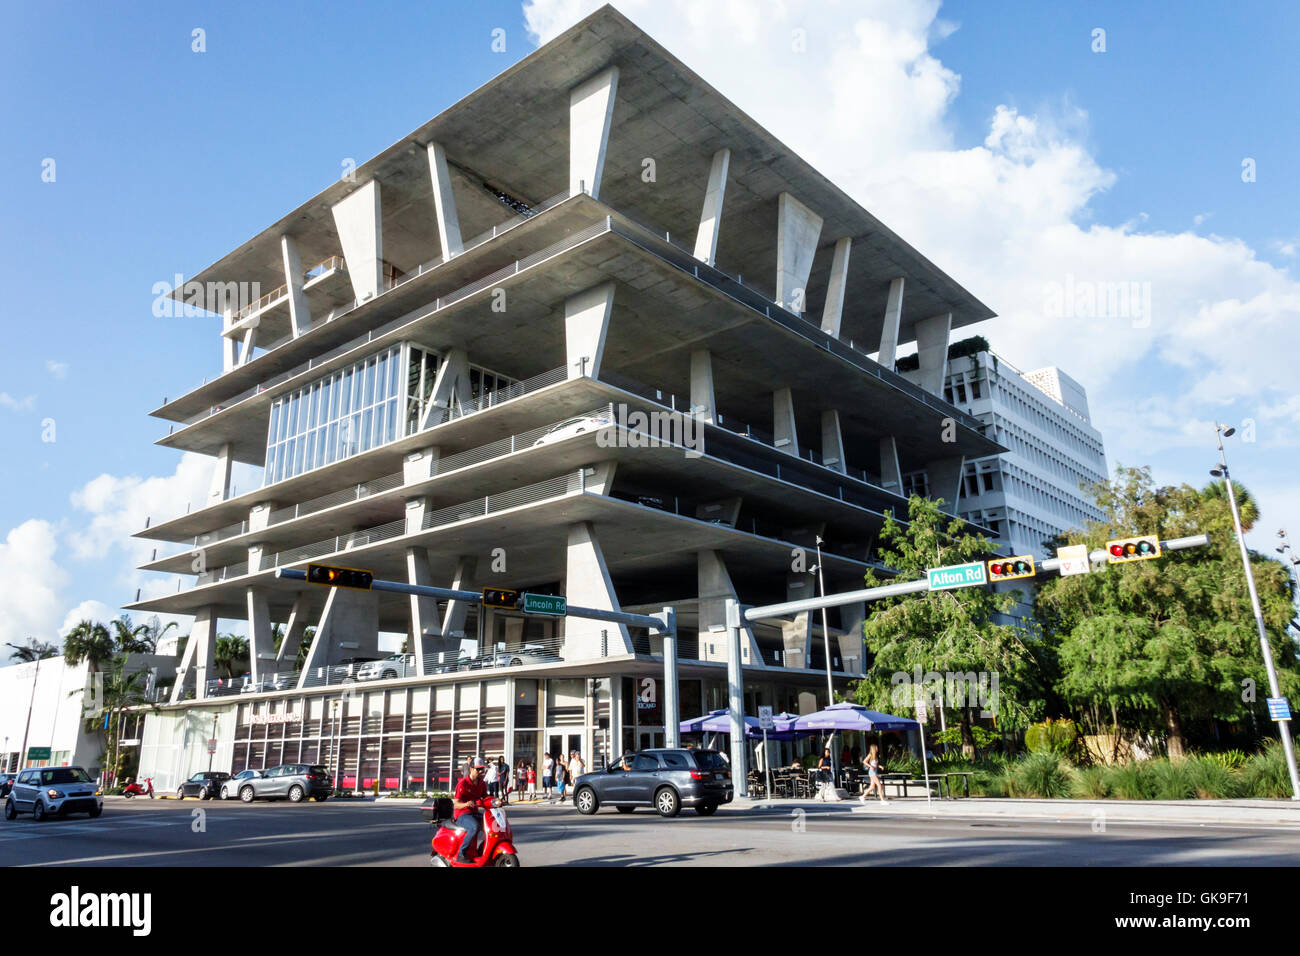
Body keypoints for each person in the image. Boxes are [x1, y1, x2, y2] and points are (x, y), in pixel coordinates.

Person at [452, 756, 492, 862]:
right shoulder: (463, 783)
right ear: (471, 769)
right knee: (474, 827)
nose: (480, 771)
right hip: (462, 814)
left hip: (474, 812)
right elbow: (455, 804)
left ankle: (484, 849)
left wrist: (496, 801)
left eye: (481, 769)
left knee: (491, 826)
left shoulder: (481, 783)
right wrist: (466, 804)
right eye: (477, 769)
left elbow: (486, 798)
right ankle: (461, 854)